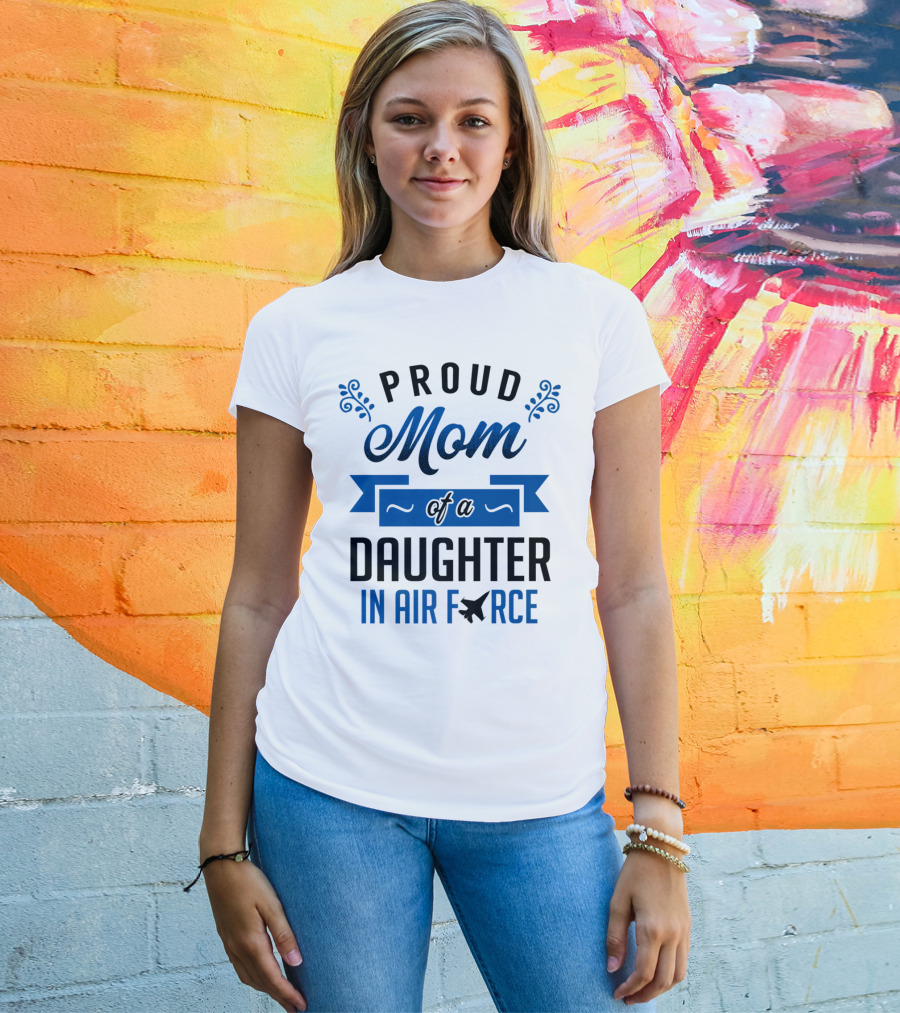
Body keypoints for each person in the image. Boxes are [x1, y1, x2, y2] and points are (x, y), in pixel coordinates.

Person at [193, 2, 692, 1010]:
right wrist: (219, 845)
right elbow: (255, 594)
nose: (442, 149)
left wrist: (658, 825)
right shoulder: (297, 330)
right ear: (366, 137)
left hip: (542, 796)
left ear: (512, 146)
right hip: (326, 784)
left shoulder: (594, 320)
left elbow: (635, 586)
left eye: (474, 120)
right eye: (409, 118)